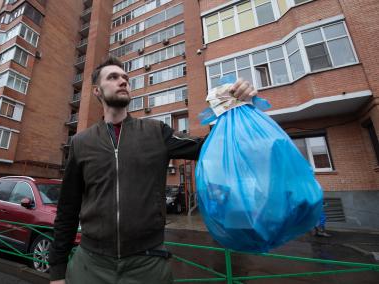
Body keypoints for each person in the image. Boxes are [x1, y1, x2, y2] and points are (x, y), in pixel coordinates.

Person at [49, 56, 258, 284]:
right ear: (97, 91)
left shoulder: (156, 132)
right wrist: (58, 271)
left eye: (126, 78)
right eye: (113, 77)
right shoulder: (81, 142)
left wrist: (236, 109)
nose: (123, 81)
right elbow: (68, 209)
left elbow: (212, 147)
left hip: (147, 265)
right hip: (91, 265)